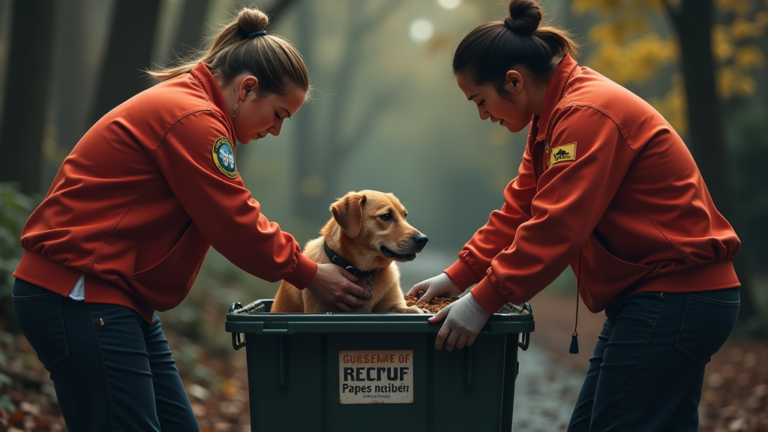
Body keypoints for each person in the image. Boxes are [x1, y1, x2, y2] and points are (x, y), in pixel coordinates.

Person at [11, 8, 370, 431]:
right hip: (78, 292)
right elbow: (234, 220)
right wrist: (309, 272)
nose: (276, 131)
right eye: (278, 115)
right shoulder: (193, 118)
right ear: (247, 88)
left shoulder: (192, 108)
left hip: (116, 297)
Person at [408, 0, 741, 430]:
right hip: (660, 300)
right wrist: (458, 276)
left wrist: (481, 301)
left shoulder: (586, 115)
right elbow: (520, 209)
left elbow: (556, 227)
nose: (482, 114)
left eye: (480, 100)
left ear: (513, 81)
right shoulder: (549, 122)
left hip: (676, 298)